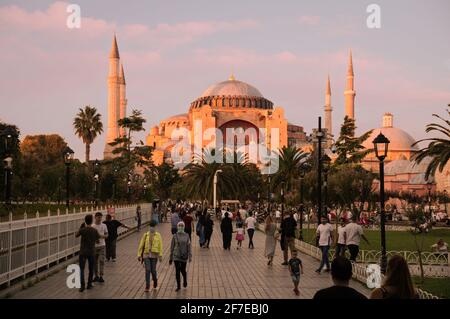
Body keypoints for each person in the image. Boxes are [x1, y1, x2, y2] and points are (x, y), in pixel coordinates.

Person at [75, 214, 100, 292]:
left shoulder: (83, 230)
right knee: (90, 268)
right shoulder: (94, 230)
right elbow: (98, 241)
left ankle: (82, 286)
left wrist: (80, 228)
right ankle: (89, 284)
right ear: (92, 221)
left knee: (82, 269)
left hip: (83, 252)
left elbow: (76, 235)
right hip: (91, 252)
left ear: (85, 221)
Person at [137, 220, 163, 292]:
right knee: (147, 270)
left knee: (153, 271)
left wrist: (160, 255)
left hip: (154, 255)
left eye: (153, 226)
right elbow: (141, 245)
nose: (152, 228)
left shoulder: (158, 235)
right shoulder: (146, 235)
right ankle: (147, 286)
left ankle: (155, 281)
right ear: (149, 227)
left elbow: (160, 246)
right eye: (151, 226)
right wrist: (139, 255)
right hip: (146, 255)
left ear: (155, 227)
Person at [169, 221, 192, 291]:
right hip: (176, 255)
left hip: (184, 255)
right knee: (177, 270)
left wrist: (190, 256)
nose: (180, 227)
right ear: (177, 227)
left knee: (183, 270)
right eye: (179, 226)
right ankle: (178, 286)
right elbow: (172, 247)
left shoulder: (187, 236)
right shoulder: (175, 236)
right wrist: (170, 258)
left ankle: (184, 279)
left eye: (182, 226)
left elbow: (189, 246)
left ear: (184, 227)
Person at [92, 212, 108, 283]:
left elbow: (107, 234)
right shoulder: (92, 226)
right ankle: (96, 276)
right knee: (95, 262)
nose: (99, 219)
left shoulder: (104, 225)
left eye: (100, 217)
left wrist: (102, 236)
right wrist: (95, 239)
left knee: (101, 260)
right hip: (94, 246)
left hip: (102, 245)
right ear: (95, 217)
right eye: (98, 217)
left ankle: (101, 276)